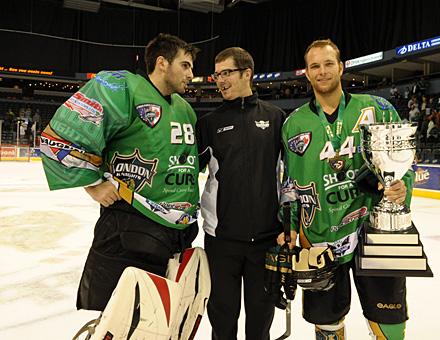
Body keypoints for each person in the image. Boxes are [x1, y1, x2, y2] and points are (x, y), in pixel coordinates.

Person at [40, 33, 200, 311]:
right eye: (185, 65)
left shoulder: (186, 109)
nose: (192, 73)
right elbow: (64, 135)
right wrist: (93, 185)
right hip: (128, 224)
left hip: (176, 234)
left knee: (155, 320)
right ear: (162, 63)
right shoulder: (122, 87)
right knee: (116, 317)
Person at [278, 39, 415, 339]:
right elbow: (288, 186)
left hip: (376, 230)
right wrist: (289, 230)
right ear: (307, 73)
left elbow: (405, 162)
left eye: (329, 64)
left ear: (341, 67)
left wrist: (401, 188)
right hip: (320, 239)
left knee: (390, 320)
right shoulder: (293, 124)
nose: (323, 71)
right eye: (315, 66)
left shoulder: (377, 108)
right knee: (327, 324)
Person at [196, 47, 285, 340]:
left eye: (226, 73)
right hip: (221, 242)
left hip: (266, 241)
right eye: (217, 74)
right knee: (222, 320)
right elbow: (185, 173)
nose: (220, 80)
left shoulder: (276, 119)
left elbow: (291, 177)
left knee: (260, 322)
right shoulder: (208, 124)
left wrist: (290, 226)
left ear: (247, 73)